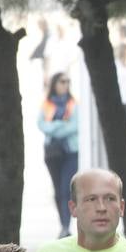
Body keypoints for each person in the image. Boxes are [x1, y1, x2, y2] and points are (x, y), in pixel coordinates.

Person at [38, 73, 79, 235]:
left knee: (66, 188)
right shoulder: (47, 104)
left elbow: (75, 126)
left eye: (68, 81)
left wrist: (55, 127)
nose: (66, 85)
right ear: (54, 84)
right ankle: (63, 223)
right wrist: (61, 124)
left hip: (71, 151)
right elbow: (41, 124)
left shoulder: (73, 104)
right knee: (57, 189)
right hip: (52, 153)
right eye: (62, 81)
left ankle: (66, 226)